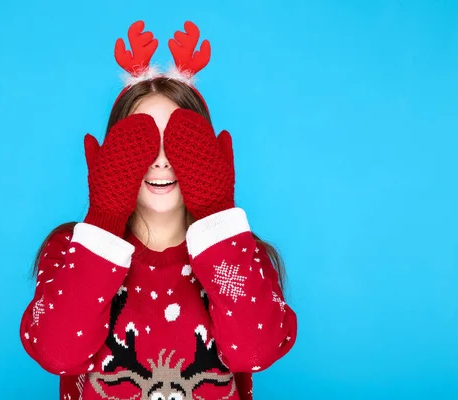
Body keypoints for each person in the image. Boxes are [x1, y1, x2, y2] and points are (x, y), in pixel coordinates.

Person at [20, 20, 297, 400]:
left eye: (180, 142)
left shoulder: (242, 255)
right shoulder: (72, 248)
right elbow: (57, 352)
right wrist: (103, 219)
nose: (161, 161)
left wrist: (217, 214)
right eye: (141, 140)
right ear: (109, 155)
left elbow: (256, 350)